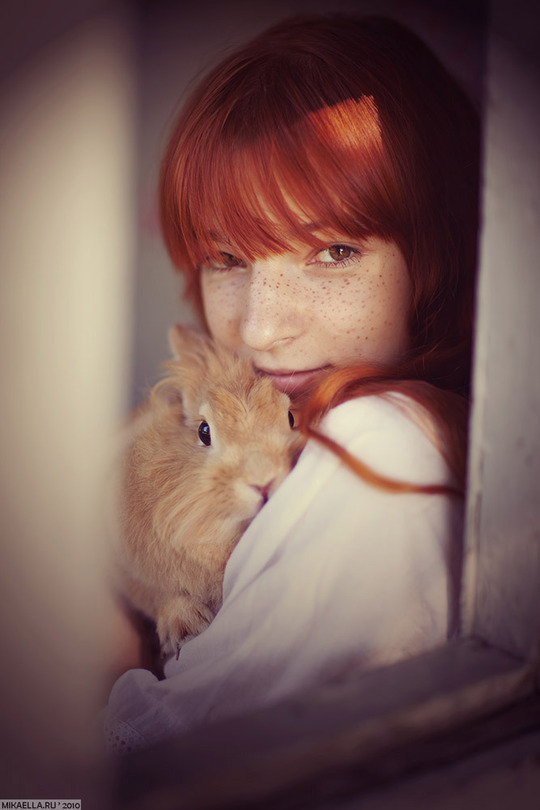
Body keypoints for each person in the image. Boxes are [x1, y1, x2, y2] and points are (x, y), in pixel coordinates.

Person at [103, 13, 480, 752]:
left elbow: (161, 762)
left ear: (437, 256)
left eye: (334, 250)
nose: (259, 329)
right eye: (228, 258)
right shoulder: (288, 416)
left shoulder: (382, 447)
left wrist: (105, 632)